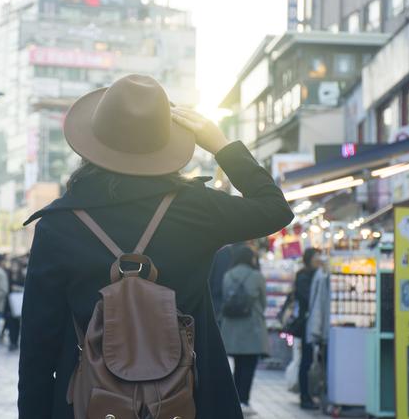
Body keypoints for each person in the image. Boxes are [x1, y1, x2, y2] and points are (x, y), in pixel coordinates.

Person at [17, 75, 294, 418]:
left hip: (87, 404)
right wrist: (221, 145)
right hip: (189, 400)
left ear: (93, 144)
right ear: (165, 146)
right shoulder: (197, 210)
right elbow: (275, 209)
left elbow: (36, 347)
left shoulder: (59, 225)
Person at [220, 244, 269, 416]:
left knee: (238, 366)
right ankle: (244, 401)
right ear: (251, 258)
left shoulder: (228, 275)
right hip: (252, 326)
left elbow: (225, 297)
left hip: (232, 327)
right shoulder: (256, 276)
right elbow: (263, 302)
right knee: (249, 366)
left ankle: (234, 400)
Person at [295, 247, 322, 410]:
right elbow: (308, 297)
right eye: (316, 257)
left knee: (311, 359)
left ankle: (311, 394)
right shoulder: (304, 276)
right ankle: (305, 396)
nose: (319, 260)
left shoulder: (317, 274)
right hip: (306, 322)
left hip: (315, 322)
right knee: (306, 360)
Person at [209, 244, 235, 321]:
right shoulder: (231, 252)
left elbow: (211, 273)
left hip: (215, 292)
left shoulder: (216, 252)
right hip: (226, 292)